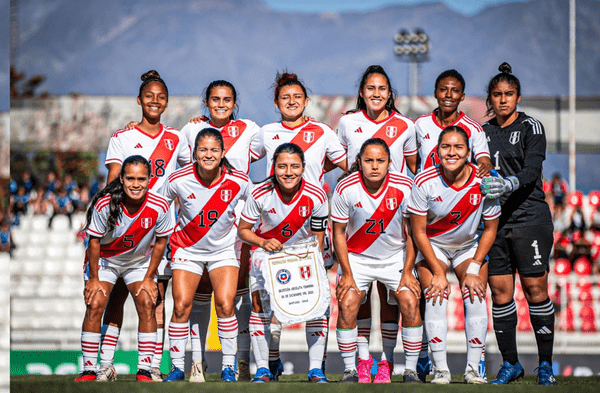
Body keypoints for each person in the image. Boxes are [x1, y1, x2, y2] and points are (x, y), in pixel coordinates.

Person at [249, 71, 347, 378]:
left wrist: (314, 170)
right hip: (271, 235)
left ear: (306, 101)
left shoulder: (322, 131)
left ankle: (316, 369)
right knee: (266, 304)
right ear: (276, 102)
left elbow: (349, 163)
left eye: (297, 97)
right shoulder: (266, 132)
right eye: (285, 97)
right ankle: (267, 363)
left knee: (316, 303)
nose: (291, 102)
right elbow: (238, 159)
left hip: (310, 231)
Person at [98, 70, 191, 382]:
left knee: (153, 298)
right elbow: (113, 182)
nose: (154, 100)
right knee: (116, 299)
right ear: (139, 100)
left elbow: (188, 176)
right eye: (149, 96)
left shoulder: (176, 138)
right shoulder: (121, 137)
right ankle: (105, 365)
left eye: (160, 96)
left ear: (166, 102)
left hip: (160, 231)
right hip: (126, 230)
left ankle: (149, 365)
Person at [336, 65, 419, 382]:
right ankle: (357, 364)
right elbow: (340, 162)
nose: (376, 93)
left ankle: (391, 364)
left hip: (393, 223)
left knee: (395, 303)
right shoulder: (347, 122)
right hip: (358, 221)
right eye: (370, 88)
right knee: (353, 302)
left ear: (390, 93)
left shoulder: (405, 126)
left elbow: (414, 167)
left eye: (382, 88)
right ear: (361, 92)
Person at [480, 62, 557, 385]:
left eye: (509, 94)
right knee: (500, 293)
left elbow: (532, 169)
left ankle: (545, 365)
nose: (502, 100)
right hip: (494, 223)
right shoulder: (480, 131)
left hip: (529, 219)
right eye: (497, 95)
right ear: (490, 98)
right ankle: (510, 363)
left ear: (518, 97)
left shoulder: (531, 127)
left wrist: (510, 183)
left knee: (535, 289)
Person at [179, 80, 259, 381]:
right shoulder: (190, 131)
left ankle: (239, 360)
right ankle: (197, 363)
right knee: (199, 299)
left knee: (237, 299)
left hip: (237, 229)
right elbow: (181, 176)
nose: (221, 104)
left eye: (227, 99)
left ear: (235, 104)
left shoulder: (251, 129)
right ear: (207, 102)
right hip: (197, 231)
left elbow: (281, 148)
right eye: (215, 99)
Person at [408, 126, 500, 384]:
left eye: (458, 147)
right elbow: (418, 232)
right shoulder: (424, 180)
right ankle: (441, 370)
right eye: (446, 147)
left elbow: (491, 229)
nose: (452, 152)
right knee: (436, 295)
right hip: (433, 244)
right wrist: (438, 272)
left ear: (469, 152)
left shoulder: (485, 181)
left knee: (477, 296)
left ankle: (473, 369)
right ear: (436, 152)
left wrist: (474, 269)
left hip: (469, 246)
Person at [159, 128, 251, 382]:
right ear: (194, 153)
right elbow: (158, 206)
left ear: (222, 153)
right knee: (181, 306)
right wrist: (163, 237)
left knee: (224, 304)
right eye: (203, 150)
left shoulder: (239, 180)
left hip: (224, 249)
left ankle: (228, 368)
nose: (208, 155)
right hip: (186, 249)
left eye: (213, 150)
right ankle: (178, 367)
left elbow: (256, 206)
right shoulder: (178, 178)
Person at [75, 155, 173, 382]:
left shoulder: (160, 206)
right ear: (121, 178)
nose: (135, 184)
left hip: (138, 263)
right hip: (106, 261)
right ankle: (91, 369)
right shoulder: (105, 204)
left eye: (141, 178)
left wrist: (150, 277)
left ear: (150, 179)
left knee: (147, 301)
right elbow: (94, 242)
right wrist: (94, 279)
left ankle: (145, 369)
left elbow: (161, 242)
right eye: (130, 178)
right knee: (96, 302)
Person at [237, 143, 330, 383]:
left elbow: (318, 238)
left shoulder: (317, 195)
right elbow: (243, 231)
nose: (288, 172)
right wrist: (263, 241)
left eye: (294, 166)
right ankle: (263, 369)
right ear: (273, 168)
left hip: (302, 258)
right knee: (259, 306)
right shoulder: (259, 193)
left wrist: (312, 264)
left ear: (303, 168)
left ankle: (315, 369)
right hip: (266, 256)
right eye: (282, 166)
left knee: (317, 307)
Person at [414, 69, 492, 175]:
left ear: (462, 96)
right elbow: (410, 156)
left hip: (460, 190)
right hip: (429, 191)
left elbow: (484, 163)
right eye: (443, 89)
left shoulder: (473, 128)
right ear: (435, 93)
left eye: (455, 90)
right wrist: (421, 176)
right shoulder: (420, 124)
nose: (449, 95)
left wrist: (485, 167)